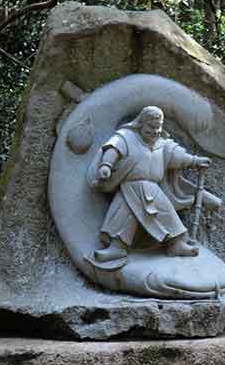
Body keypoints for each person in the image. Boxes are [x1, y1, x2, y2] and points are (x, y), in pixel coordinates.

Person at [90, 106, 211, 262]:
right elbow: (114, 149)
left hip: (153, 189)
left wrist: (195, 161)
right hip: (130, 188)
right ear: (141, 123)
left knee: (166, 214)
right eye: (151, 127)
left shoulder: (162, 143)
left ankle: (176, 244)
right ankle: (117, 247)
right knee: (123, 216)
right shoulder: (127, 137)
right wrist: (106, 165)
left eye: (158, 127)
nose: (155, 131)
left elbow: (178, 156)